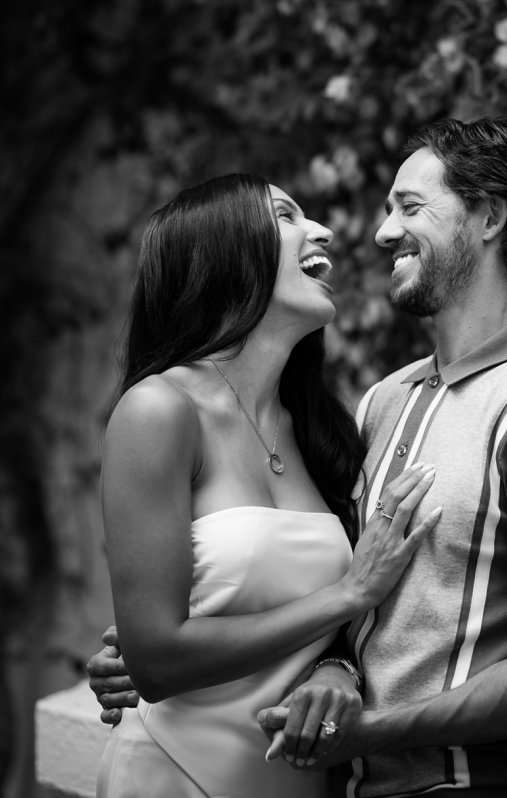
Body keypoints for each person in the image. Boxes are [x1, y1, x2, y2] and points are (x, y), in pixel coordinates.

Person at [91, 118, 507, 798]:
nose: (380, 233)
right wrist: (331, 670)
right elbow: (357, 612)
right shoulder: (380, 404)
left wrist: (377, 729)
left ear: (489, 218)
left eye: (409, 207)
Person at [91, 172, 442, 798]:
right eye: (286, 215)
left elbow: (342, 631)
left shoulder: (322, 428)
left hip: (297, 781)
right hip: (175, 775)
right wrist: (349, 594)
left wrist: (337, 670)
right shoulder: (159, 410)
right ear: (222, 253)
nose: (322, 230)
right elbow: (157, 661)